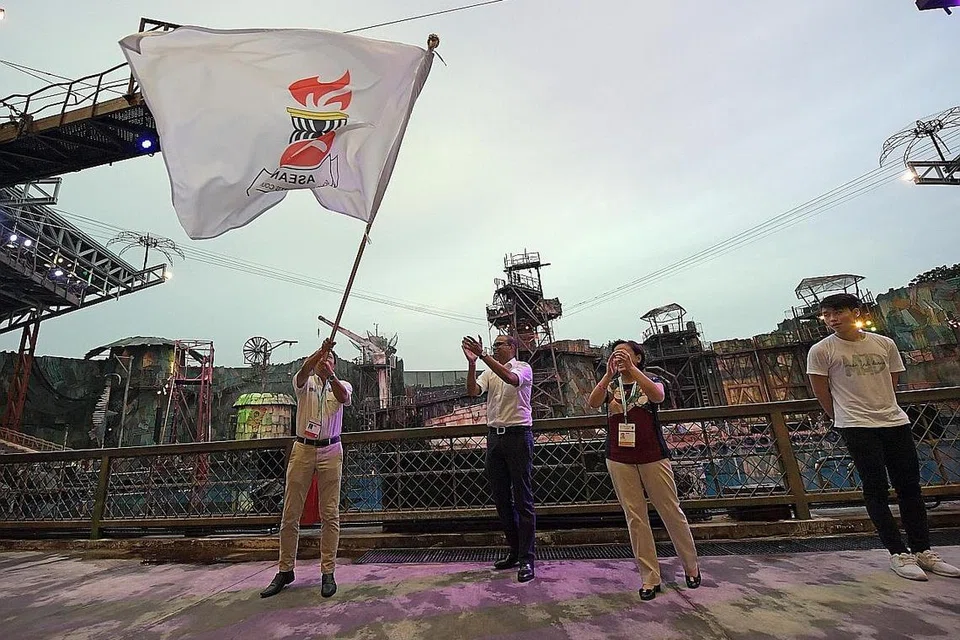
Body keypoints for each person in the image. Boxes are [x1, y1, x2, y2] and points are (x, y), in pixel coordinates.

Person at [807, 293, 959, 581]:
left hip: (894, 420)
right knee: (876, 489)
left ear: (855, 311)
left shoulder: (884, 343)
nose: (832, 319)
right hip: (855, 425)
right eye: (826, 315)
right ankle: (898, 553)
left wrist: (883, 406)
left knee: (909, 487)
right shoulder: (821, 350)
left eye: (837, 312)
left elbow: (891, 382)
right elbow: (820, 390)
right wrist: (839, 417)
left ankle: (923, 550)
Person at [587, 340, 701, 601]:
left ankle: (691, 565)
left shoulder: (651, 378)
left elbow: (658, 396)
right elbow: (593, 402)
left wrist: (633, 371)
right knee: (635, 517)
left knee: (670, 511)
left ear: (638, 358)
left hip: (652, 455)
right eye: (616, 355)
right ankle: (650, 576)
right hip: (618, 456)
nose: (619, 358)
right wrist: (607, 375)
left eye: (625, 354)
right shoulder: (612, 385)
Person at [261, 338, 354, 598]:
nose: (325, 363)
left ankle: (328, 571)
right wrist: (319, 353)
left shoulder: (342, 384)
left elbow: (344, 397)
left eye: (330, 360)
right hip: (303, 447)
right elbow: (303, 371)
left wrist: (331, 376)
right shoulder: (305, 384)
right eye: (323, 360)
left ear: (336, 365)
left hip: (331, 449)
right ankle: (285, 568)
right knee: (290, 512)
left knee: (330, 513)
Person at [462, 334, 537, 583]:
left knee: (523, 499)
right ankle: (514, 552)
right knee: (501, 499)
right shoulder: (489, 372)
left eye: (499, 345)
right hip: (495, 437)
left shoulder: (523, 368)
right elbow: (473, 391)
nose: (495, 348)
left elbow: (511, 379)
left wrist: (483, 356)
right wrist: (473, 364)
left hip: (518, 435)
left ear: (512, 348)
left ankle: (527, 558)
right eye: (493, 346)